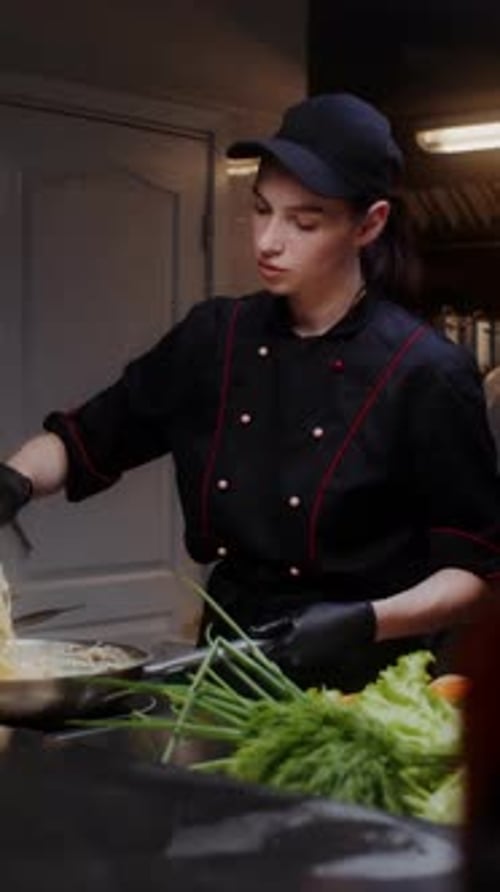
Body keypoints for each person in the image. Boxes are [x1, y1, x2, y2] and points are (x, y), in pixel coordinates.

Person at [0, 93, 499, 692]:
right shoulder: (215, 338)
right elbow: (90, 438)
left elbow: (473, 578)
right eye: (261, 210)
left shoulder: (425, 372)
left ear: (370, 225)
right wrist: (16, 479)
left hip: (365, 679)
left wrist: (362, 621)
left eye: (303, 222)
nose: (268, 240)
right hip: (222, 665)